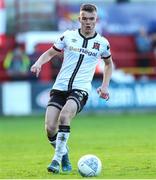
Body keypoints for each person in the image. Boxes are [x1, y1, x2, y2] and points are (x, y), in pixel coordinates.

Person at [30, 3, 113, 174]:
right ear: (79, 19)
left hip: (80, 89)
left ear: (96, 20)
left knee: (65, 115)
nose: (88, 22)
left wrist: (104, 86)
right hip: (60, 87)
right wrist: (39, 63)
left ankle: (56, 160)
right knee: (50, 128)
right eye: (84, 19)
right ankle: (64, 153)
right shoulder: (68, 36)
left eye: (91, 19)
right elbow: (50, 53)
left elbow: (108, 64)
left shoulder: (102, 43)